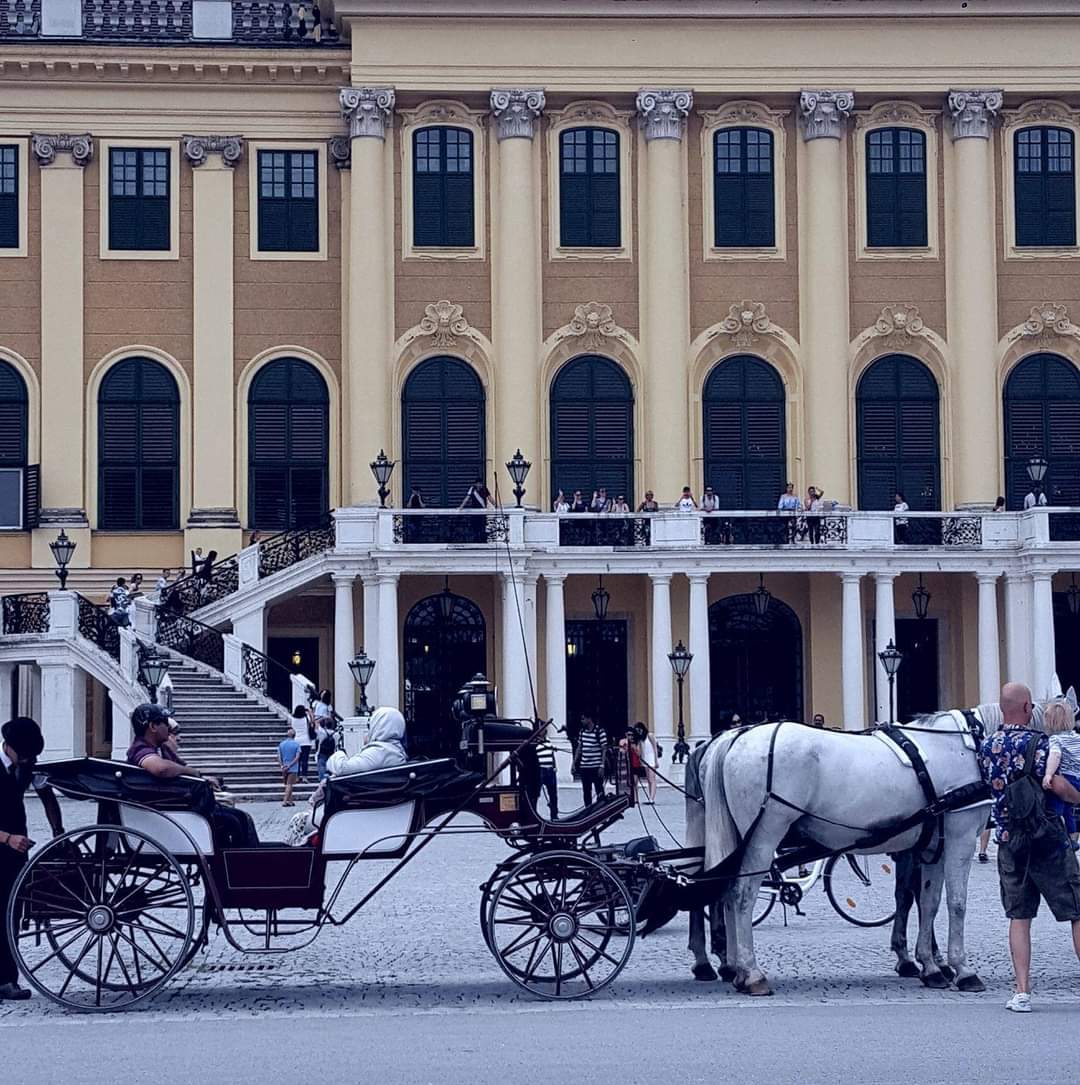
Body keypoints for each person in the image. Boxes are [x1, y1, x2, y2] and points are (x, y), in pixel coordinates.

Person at [977, 681, 1080, 1013]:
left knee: (1019, 916)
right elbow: (1059, 785)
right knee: (1076, 909)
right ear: (1026, 709)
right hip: (1048, 837)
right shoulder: (1040, 744)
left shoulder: (987, 746)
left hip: (1009, 841)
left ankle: (1022, 991)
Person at [126, 703, 258, 847]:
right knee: (232, 821)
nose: (169, 729)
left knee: (241, 817)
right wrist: (193, 773)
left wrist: (202, 777)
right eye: (165, 722)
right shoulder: (140, 748)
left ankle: (247, 862)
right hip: (165, 808)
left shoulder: (161, 748)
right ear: (153, 727)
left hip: (175, 803)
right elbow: (160, 768)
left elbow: (181, 766)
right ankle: (233, 865)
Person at [0, 717, 63, 1001]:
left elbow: (48, 797)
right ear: (8, 747)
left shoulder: (27, 764)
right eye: (23, 755)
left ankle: (6, 980)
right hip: (6, 840)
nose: (28, 760)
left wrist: (58, 832)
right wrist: (6, 838)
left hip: (16, 848)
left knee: (10, 913)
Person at [286, 708, 409, 846]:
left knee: (299, 820)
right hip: (374, 810)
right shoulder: (396, 752)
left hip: (356, 815)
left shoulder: (380, 752)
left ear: (379, 726)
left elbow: (342, 768)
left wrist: (340, 752)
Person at [1042, 699, 1080, 849]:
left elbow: (1055, 756)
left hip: (1067, 778)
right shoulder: (1077, 738)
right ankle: (1072, 836)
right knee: (1068, 809)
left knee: (1055, 806)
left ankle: (1057, 834)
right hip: (1078, 779)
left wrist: (1048, 774)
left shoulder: (1055, 739)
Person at [573, 715, 607, 805]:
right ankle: (588, 810)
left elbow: (604, 748)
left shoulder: (599, 731)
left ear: (589, 719)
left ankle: (601, 809)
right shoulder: (582, 732)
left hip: (596, 766)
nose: (581, 721)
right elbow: (579, 748)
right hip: (584, 767)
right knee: (586, 791)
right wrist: (574, 763)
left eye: (583, 719)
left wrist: (602, 765)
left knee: (599, 789)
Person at [632, 721, 658, 803]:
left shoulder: (649, 735)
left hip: (651, 758)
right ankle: (650, 797)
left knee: (652, 778)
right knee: (648, 779)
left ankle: (652, 798)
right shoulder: (640, 739)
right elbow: (640, 751)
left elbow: (655, 748)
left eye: (639, 729)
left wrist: (656, 760)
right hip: (645, 759)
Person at [535, 731, 559, 818]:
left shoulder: (548, 741)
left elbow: (552, 755)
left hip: (550, 769)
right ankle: (534, 813)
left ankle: (554, 814)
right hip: (541, 769)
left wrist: (554, 766)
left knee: (553, 794)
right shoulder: (535, 742)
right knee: (536, 793)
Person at [278, 727, 301, 807]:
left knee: (287, 784)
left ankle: (291, 801)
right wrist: (290, 765)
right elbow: (297, 757)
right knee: (290, 784)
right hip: (293, 767)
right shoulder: (296, 744)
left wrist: (282, 766)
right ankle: (285, 801)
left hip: (284, 767)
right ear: (294, 735)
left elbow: (279, 756)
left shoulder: (281, 744)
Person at [292, 704, 315, 782]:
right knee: (305, 760)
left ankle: (297, 777)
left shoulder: (293, 719)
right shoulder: (306, 718)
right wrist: (310, 712)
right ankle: (304, 776)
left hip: (296, 741)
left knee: (297, 760)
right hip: (306, 741)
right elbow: (312, 722)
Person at [314, 716, 337, 782]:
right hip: (332, 752)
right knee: (331, 766)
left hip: (322, 752)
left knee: (321, 766)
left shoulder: (322, 732)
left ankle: (322, 780)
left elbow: (315, 723)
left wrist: (323, 718)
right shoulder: (336, 734)